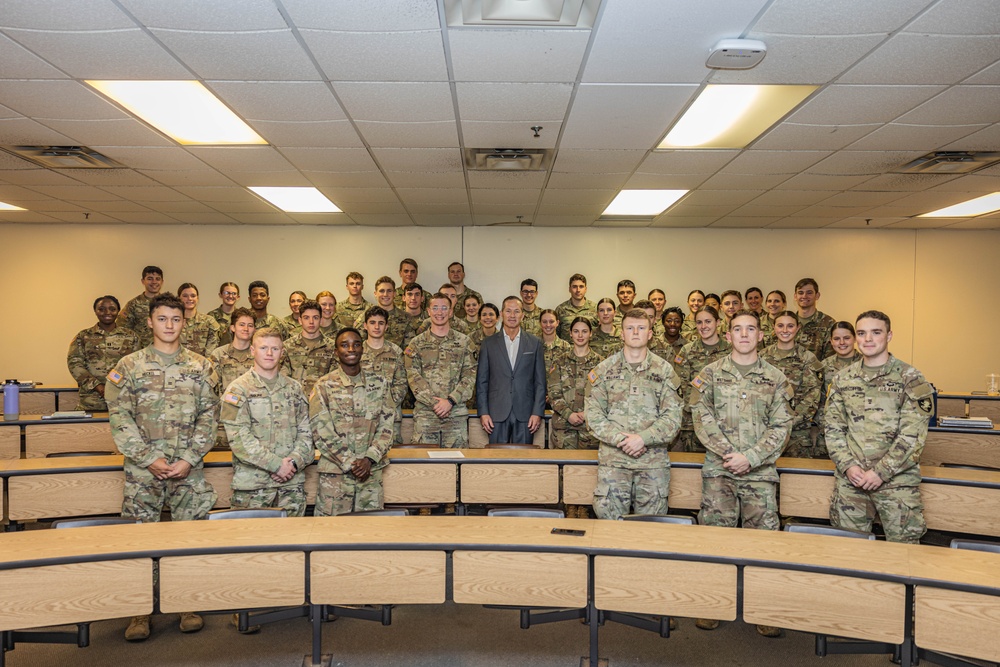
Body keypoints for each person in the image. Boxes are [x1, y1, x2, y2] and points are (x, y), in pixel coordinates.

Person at [106, 292, 220, 641]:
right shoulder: (129, 366)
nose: (169, 325)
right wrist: (147, 458)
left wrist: (189, 458)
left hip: (189, 469)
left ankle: (186, 603)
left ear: (184, 322)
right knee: (141, 540)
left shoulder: (202, 366)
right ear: (150, 322)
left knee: (189, 538)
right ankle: (140, 612)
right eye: (162, 319)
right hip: (144, 471)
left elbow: (210, 416)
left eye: (176, 319)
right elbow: (119, 416)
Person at [689, 310, 794, 637]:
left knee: (762, 544)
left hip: (760, 474)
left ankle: (763, 608)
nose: (744, 334)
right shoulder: (708, 375)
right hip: (719, 472)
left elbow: (782, 425)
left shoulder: (777, 378)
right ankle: (712, 604)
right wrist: (728, 454)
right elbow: (701, 418)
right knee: (715, 539)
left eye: (751, 329)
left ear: (761, 335)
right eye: (737, 329)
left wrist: (751, 457)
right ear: (729, 334)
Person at [825, 310, 934, 544]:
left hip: (897, 481)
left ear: (889, 335)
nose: (868, 339)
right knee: (847, 551)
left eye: (876, 332)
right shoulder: (843, 379)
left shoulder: (911, 378)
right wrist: (849, 466)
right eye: (862, 333)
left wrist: (879, 473)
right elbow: (833, 429)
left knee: (904, 554)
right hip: (851, 481)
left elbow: (912, 436)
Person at [585, 309, 683, 521]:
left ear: (650, 334)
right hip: (614, 464)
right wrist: (622, 440)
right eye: (630, 328)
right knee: (609, 529)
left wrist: (642, 439)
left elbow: (673, 418)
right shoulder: (603, 370)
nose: (635, 332)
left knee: (651, 532)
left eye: (641, 328)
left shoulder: (665, 371)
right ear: (622, 334)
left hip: (652, 464)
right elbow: (593, 416)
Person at [222, 327, 313, 517]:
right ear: (252, 351)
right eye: (263, 348)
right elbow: (239, 440)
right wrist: (276, 465)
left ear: (282, 352)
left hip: (291, 487)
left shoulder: (294, 389)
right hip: (253, 488)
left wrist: (294, 462)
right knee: (251, 545)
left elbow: (308, 433)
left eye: (275, 348)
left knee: (292, 544)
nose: (269, 353)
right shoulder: (237, 389)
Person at [310, 328, 395, 515]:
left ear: (362, 349)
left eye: (356, 344)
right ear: (336, 351)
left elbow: (387, 426)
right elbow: (321, 431)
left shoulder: (379, 383)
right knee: (331, 535)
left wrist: (370, 458)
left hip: (370, 474)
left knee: (370, 533)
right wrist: (350, 462)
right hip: (336, 476)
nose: (351, 349)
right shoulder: (324, 385)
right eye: (344, 345)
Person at [404, 293, 477, 448]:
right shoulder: (416, 343)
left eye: (444, 308)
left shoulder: (464, 342)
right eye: (435, 307)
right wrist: (435, 403)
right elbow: (413, 377)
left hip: (455, 416)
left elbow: (470, 376)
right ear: (429, 311)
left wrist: (450, 401)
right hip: (426, 416)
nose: (440, 312)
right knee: (425, 468)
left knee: (457, 467)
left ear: (451, 312)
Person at [477, 296, 546, 444]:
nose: (512, 315)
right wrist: (483, 412)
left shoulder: (535, 343)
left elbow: (540, 382)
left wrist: (537, 412)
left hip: (526, 414)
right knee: (496, 461)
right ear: (501, 314)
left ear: (522, 315)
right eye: (508, 311)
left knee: (524, 462)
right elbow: (482, 381)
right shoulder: (488, 344)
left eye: (516, 311)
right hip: (496, 413)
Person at [760, 311, 823, 458]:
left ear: (798, 328)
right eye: (780, 325)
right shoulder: (762, 357)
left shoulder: (808, 358)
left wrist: (788, 422)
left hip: (797, 434)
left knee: (797, 479)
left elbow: (812, 395)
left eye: (790, 326)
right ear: (774, 328)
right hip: (765, 432)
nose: (785, 330)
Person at [673, 306, 731, 452]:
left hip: (724, 421)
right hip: (692, 422)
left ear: (718, 322)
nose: (703, 326)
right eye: (699, 322)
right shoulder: (687, 350)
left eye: (708, 321)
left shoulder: (731, 350)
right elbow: (682, 387)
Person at [67, 295, 139, 411]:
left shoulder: (131, 336)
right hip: (91, 402)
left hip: (122, 401)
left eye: (112, 309)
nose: (107, 312)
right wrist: (97, 386)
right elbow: (75, 364)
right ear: (95, 311)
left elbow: (136, 365)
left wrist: (114, 385)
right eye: (101, 309)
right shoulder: (83, 336)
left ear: (118, 311)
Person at [548, 316, 602, 451]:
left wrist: (586, 413)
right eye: (576, 331)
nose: (580, 335)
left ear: (590, 334)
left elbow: (604, 395)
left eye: (584, 331)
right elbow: (554, 394)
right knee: (562, 470)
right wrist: (569, 414)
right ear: (570, 334)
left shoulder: (601, 364)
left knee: (588, 471)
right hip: (563, 429)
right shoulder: (559, 362)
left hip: (590, 429)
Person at [209, 308, 256, 449]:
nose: (246, 329)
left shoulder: (259, 354)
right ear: (233, 328)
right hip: (225, 423)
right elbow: (210, 391)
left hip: (254, 422)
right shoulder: (218, 354)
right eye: (242, 324)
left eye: (250, 325)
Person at [361, 306, 408, 444]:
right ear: (365, 325)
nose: (376, 327)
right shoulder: (357, 351)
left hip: (390, 417)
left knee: (393, 459)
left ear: (386, 326)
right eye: (372, 322)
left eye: (381, 323)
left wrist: (384, 404)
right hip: (362, 416)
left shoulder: (395, 352)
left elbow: (402, 384)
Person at [815, 321, 861, 454]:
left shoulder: (866, 364)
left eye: (846, 338)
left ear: (855, 339)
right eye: (836, 338)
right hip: (829, 435)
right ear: (831, 341)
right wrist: (826, 425)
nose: (842, 342)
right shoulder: (823, 366)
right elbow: (818, 401)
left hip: (860, 436)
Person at [280, 299, 336, 398]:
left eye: (315, 317)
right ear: (300, 320)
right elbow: (283, 379)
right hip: (295, 402)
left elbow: (334, 379)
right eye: (306, 318)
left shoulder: (332, 347)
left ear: (321, 320)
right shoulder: (287, 346)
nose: (311, 322)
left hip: (323, 403)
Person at [354, 276, 415, 349]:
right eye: (382, 291)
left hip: (397, 358)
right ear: (375, 294)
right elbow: (357, 344)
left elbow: (410, 348)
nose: (385, 294)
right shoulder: (365, 317)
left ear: (394, 294)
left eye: (389, 291)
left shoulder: (406, 318)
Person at [116, 265, 163, 348]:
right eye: (150, 278)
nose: (154, 282)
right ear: (142, 281)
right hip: (141, 353)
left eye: (157, 279)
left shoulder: (169, 304)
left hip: (165, 351)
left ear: (162, 281)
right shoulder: (133, 304)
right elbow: (122, 330)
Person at [794, 278, 836, 361]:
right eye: (800, 293)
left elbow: (830, 358)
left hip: (817, 372)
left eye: (809, 293)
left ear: (817, 296)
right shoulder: (788, 323)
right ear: (795, 296)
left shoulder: (829, 323)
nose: (804, 296)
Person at [178, 283, 221, 357]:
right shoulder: (173, 322)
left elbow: (211, 353)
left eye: (193, 296)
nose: (190, 299)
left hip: (202, 366)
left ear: (197, 298)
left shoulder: (209, 321)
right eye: (185, 296)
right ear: (179, 298)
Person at [555, 273, 596, 342]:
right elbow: (555, 335)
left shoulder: (595, 308)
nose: (578, 290)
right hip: (566, 351)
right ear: (569, 289)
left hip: (589, 350)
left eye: (581, 286)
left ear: (585, 289)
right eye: (574, 287)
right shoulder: (561, 309)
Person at [539, 308, 571, 377]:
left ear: (557, 323)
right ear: (540, 323)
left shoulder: (565, 346)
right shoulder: (534, 345)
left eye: (551, 322)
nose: (548, 325)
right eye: (544, 322)